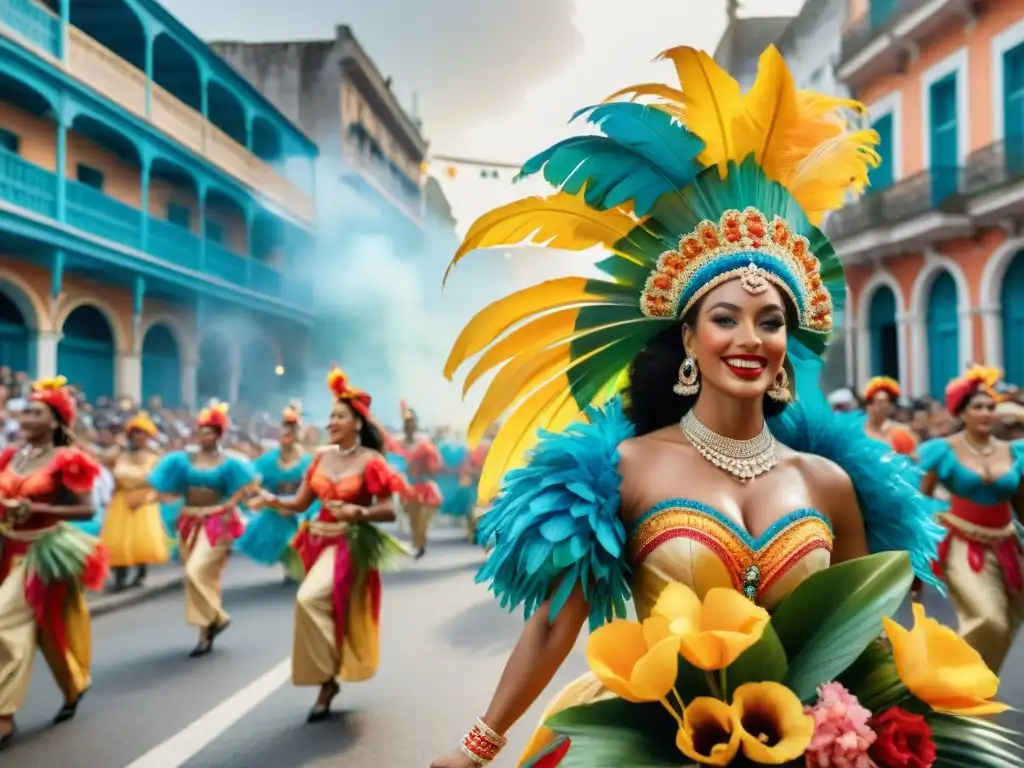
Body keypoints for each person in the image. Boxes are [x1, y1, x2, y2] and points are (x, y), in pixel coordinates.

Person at [428, 44, 943, 767]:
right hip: (658, 747)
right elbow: (553, 624)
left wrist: (899, 731)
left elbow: (867, 633)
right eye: (725, 318)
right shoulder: (626, 469)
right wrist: (479, 746)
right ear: (690, 341)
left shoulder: (826, 482)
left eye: (770, 323)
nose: (750, 339)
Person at [250, 369, 406, 721]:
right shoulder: (320, 457)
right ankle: (327, 678)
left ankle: (326, 675)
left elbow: (387, 511)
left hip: (350, 544)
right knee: (324, 607)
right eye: (330, 415)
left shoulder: (372, 461)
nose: (331, 421)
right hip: (315, 541)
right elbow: (301, 503)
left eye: (339, 416)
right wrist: (271, 499)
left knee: (309, 600)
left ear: (356, 422)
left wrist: (358, 511)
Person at [0, 376, 108, 746]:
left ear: (56, 420)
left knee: (4, 623)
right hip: (7, 548)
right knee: (49, 634)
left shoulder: (69, 459)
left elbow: (86, 508)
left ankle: (3, 714)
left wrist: (35, 507)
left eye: (35, 412)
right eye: (23, 411)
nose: (25, 417)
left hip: (45, 552)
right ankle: (74, 685)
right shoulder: (11, 456)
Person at [919, 366, 1024, 674]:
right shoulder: (942, 450)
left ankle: (978, 687)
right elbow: (920, 498)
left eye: (991, 407)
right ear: (962, 413)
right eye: (978, 407)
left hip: (1006, 543)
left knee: (1007, 621)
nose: (986, 413)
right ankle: (953, 682)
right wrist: (921, 542)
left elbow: (1020, 502)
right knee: (988, 618)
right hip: (961, 544)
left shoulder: (1014, 452)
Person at [149, 403, 257, 657]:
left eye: (209, 432)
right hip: (189, 521)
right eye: (201, 431)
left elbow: (248, 484)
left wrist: (232, 502)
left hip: (216, 522)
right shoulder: (182, 460)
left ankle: (217, 617)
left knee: (198, 570)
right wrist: (156, 496)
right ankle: (204, 634)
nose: (203, 436)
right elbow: (171, 490)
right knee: (198, 577)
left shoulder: (230, 463)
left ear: (219, 435)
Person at [236, 405, 314, 582]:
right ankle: (290, 569)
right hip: (276, 507)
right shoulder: (268, 460)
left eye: (292, 431)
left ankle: (302, 569)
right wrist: (267, 498)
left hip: (300, 507)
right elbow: (252, 482)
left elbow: (316, 486)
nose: (288, 436)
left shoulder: (308, 461)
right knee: (283, 541)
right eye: (285, 431)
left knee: (301, 538)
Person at [99, 412, 168, 591]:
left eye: (143, 433)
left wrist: (147, 497)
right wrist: (119, 448)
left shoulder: (155, 457)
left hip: (144, 502)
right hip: (121, 501)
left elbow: (160, 481)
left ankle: (140, 573)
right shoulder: (120, 454)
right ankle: (120, 578)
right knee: (116, 540)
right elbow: (103, 459)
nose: (139, 437)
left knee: (141, 540)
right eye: (136, 433)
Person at [393, 402, 442, 559]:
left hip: (425, 486)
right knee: (413, 520)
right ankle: (417, 542)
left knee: (423, 518)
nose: (410, 424)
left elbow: (435, 463)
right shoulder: (397, 442)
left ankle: (420, 543)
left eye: (412, 421)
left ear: (416, 423)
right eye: (407, 422)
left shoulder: (424, 442)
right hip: (407, 488)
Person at [862, 376, 917, 455]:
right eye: (879, 402)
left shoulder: (901, 430)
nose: (883, 405)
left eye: (886, 402)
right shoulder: (860, 431)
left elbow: (914, 458)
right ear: (869, 406)